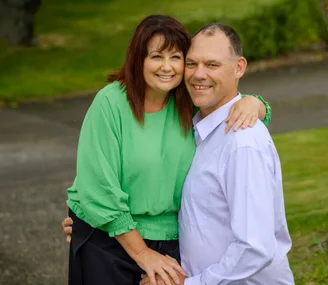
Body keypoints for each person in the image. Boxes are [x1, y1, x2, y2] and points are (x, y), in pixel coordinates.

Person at [63, 15, 271, 285]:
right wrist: (142, 253)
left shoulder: (189, 101)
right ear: (139, 59)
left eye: (176, 58)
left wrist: (255, 103)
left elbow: (232, 109)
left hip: (170, 244)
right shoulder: (111, 103)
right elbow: (99, 189)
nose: (167, 67)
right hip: (111, 240)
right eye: (156, 57)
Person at [140, 23, 294, 285]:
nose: (199, 74)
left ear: (239, 68)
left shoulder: (241, 143)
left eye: (212, 65)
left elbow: (254, 247)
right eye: (192, 64)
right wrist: (95, 224)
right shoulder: (196, 130)